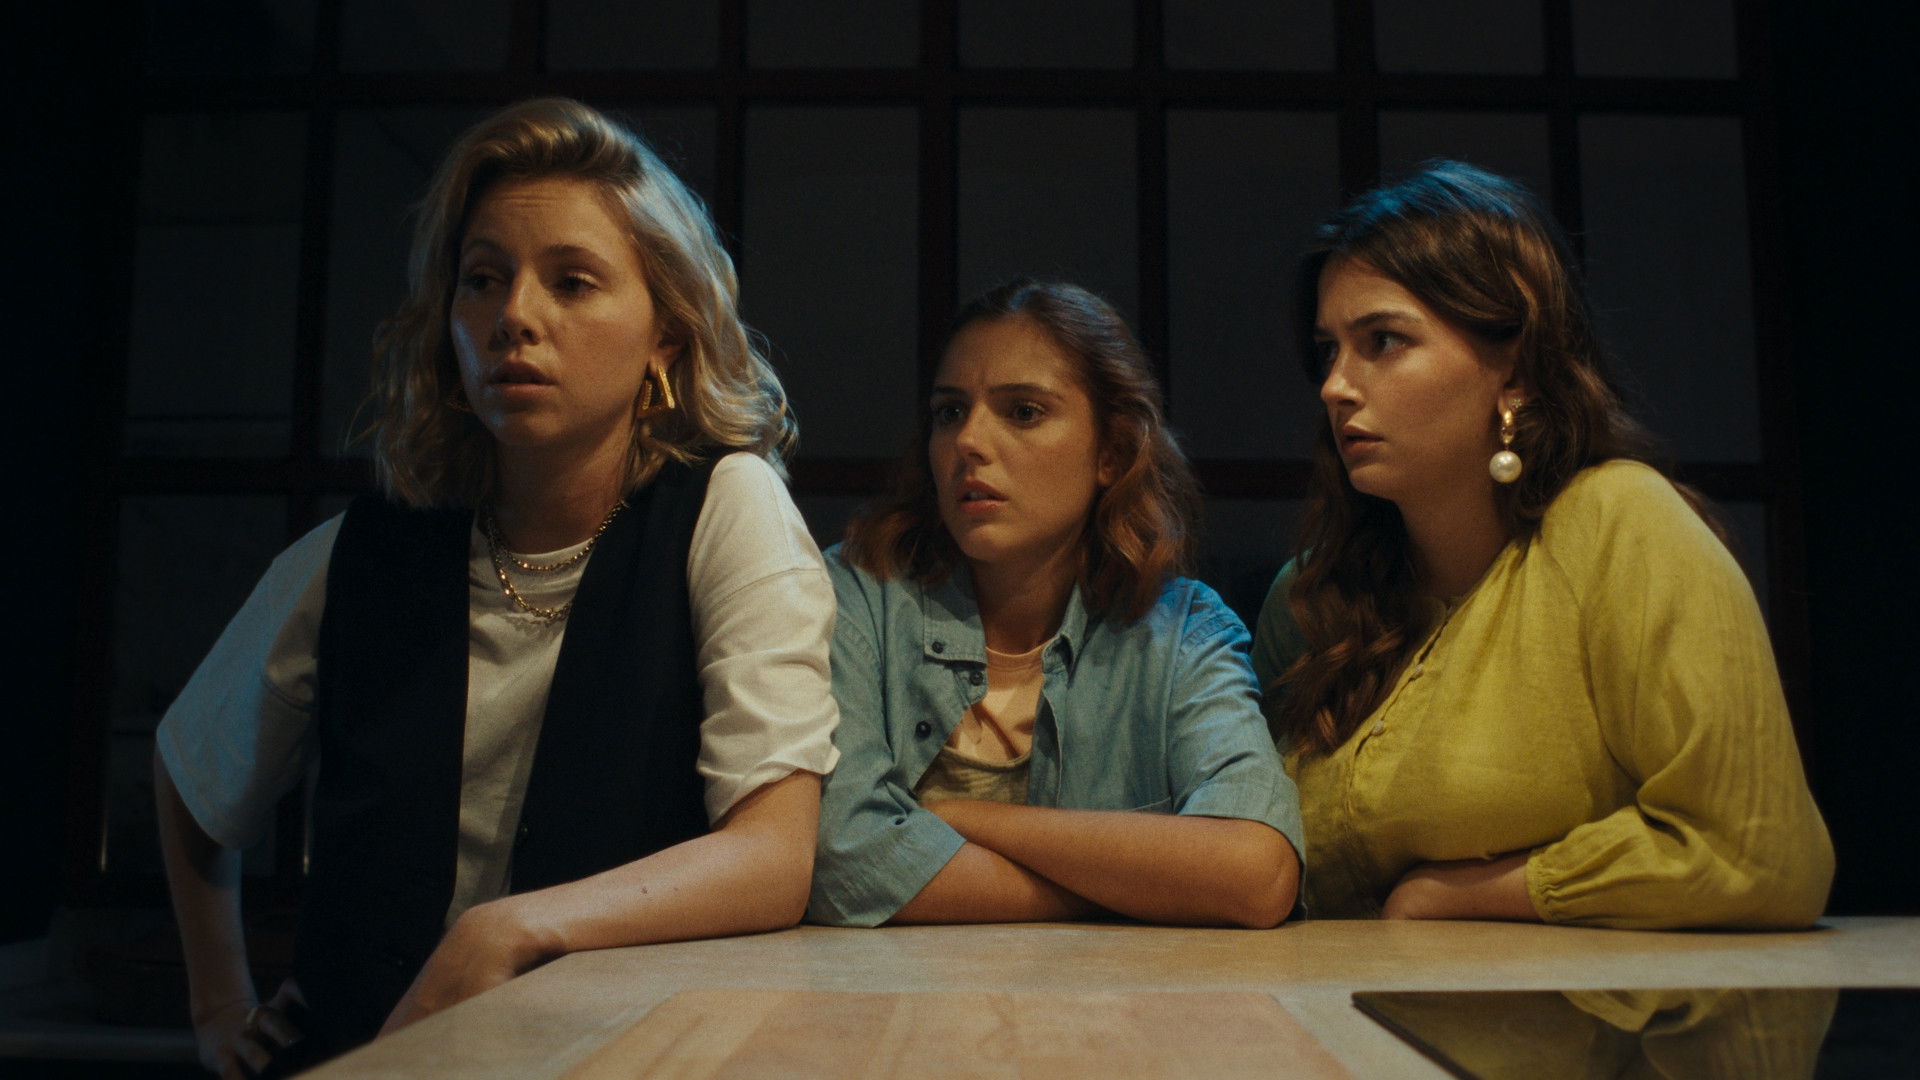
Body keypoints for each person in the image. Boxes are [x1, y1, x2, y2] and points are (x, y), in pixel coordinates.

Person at [154, 98, 840, 1077]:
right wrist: (219, 1001)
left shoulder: (725, 507)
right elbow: (190, 772)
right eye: (482, 280)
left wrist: (507, 930)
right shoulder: (367, 547)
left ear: (666, 333)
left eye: (572, 281)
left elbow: (772, 856)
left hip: (616, 1057)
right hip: (369, 1057)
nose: (515, 316)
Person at [1252, 160, 1833, 928]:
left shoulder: (1621, 524)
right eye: (1329, 350)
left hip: (1591, 1006)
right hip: (1322, 1003)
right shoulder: (1312, 599)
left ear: (1516, 367)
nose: (1335, 386)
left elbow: (1759, 854)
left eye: (1383, 341)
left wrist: (1466, 896)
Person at [808, 278, 1303, 929]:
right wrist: (1137, 888)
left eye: (1023, 412)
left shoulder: (1182, 631)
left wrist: (962, 817)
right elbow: (840, 865)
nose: (969, 441)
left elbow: (1257, 875)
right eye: (950, 412)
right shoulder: (856, 594)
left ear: (1111, 452)